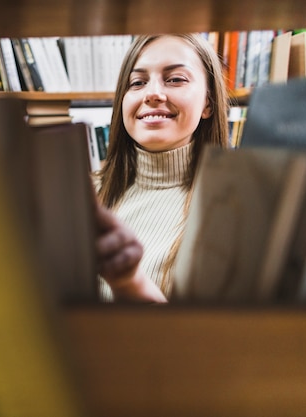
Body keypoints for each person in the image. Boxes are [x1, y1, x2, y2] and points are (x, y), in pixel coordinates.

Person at [94, 33, 230, 302]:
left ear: (208, 103)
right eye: (137, 82)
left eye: (175, 79)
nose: (152, 93)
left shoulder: (237, 210)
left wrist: (128, 281)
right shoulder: (86, 194)